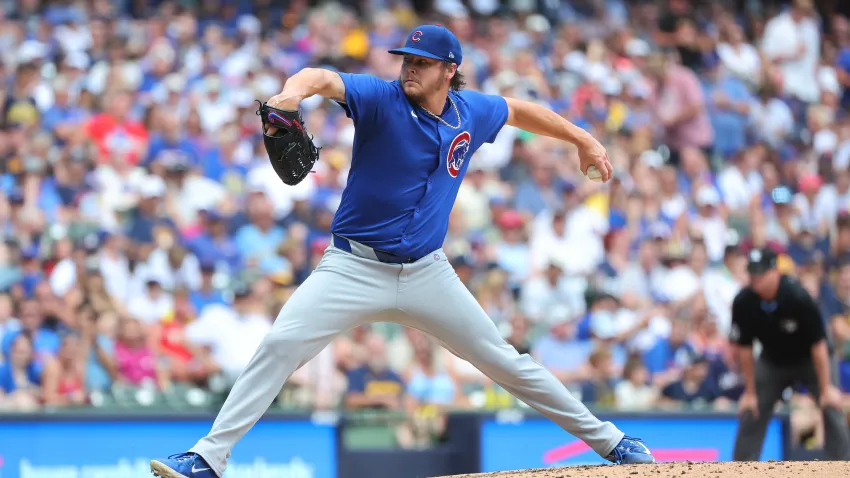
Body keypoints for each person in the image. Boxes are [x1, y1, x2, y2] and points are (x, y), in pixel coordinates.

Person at [150, 24, 654, 478]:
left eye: (422, 62)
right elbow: (321, 78)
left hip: (427, 274)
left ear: (448, 70)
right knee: (280, 345)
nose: (409, 68)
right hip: (352, 266)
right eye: (406, 60)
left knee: (506, 362)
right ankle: (208, 458)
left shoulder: (470, 111)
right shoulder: (381, 98)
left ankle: (612, 443)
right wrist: (289, 95)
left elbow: (520, 110)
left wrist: (582, 138)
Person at [730, 247, 850, 461]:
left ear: (774, 272)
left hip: (810, 359)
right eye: (752, 272)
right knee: (751, 407)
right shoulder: (743, 302)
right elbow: (745, 348)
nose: (755, 278)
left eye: (761, 272)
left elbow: (819, 343)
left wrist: (825, 388)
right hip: (773, 361)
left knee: (830, 402)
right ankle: (741, 468)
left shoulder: (797, 296)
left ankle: (842, 465)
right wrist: (749, 392)